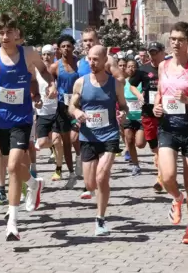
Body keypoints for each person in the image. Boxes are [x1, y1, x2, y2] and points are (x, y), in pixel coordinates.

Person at [0, 13, 56, 240]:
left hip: (22, 119)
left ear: (17, 33)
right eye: (1, 33)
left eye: (9, 32)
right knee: (11, 167)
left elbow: (43, 71)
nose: (5, 37)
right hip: (0, 120)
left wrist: (51, 86)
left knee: (14, 166)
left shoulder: (28, 53)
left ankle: (13, 223)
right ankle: (34, 184)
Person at [152, 22, 188, 244]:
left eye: (180, 39)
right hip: (168, 127)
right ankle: (177, 197)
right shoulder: (163, 66)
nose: (175, 43)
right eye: (173, 39)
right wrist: (157, 106)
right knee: (167, 177)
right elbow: (159, 93)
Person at [69, 45, 128, 236]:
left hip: (109, 134)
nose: (92, 63)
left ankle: (100, 219)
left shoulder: (115, 84)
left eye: (96, 59)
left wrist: (123, 115)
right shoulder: (80, 82)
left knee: (102, 177)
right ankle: (94, 192)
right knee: (91, 183)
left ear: (105, 61)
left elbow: (124, 107)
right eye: (89, 59)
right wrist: (77, 112)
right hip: (88, 136)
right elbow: (72, 105)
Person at [129, 43, 166, 192]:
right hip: (148, 113)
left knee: (162, 148)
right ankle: (162, 172)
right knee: (155, 148)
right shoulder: (143, 69)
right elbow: (132, 84)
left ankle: (160, 178)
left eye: (156, 52)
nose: (153, 55)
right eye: (151, 53)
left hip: (166, 113)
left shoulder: (169, 68)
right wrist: (139, 95)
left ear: (162, 52)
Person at [48, 35, 80, 186]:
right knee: (66, 142)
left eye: (69, 46)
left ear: (73, 47)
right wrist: (53, 87)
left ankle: (80, 159)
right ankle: (72, 173)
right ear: (59, 49)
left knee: (76, 138)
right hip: (62, 107)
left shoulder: (79, 64)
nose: (66, 48)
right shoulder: (55, 67)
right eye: (63, 46)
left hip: (78, 105)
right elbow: (49, 81)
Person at [35, 45, 64, 182]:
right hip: (42, 112)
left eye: (49, 54)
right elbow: (32, 89)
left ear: (54, 56)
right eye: (44, 54)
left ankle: (58, 168)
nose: (46, 57)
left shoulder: (57, 71)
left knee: (57, 140)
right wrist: (35, 100)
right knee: (42, 142)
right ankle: (52, 146)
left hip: (56, 111)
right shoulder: (36, 71)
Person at [122, 59, 146, 175]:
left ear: (137, 68)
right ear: (126, 69)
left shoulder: (142, 82)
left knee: (140, 144)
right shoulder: (123, 83)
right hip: (128, 116)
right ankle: (136, 165)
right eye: (129, 66)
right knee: (129, 140)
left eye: (133, 66)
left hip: (141, 117)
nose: (131, 69)